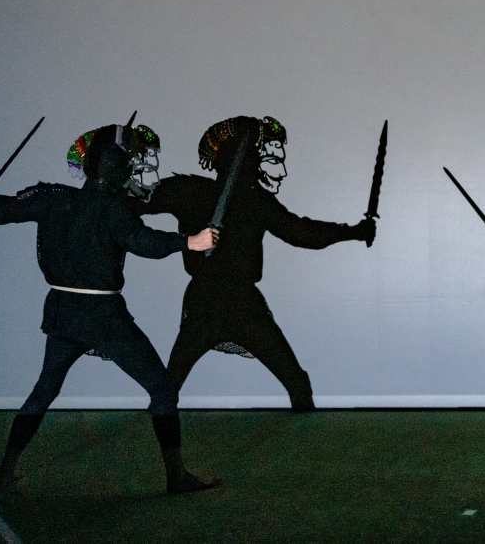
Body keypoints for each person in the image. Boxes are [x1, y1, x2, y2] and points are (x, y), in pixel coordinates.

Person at [0, 122, 220, 494]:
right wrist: (190, 242)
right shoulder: (115, 209)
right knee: (163, 390)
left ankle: (4, 472)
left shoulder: (54, 197)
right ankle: (176, 478)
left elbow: (0, 210)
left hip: (62, 310)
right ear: (116, 169)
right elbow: (142, 241)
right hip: (102, 317)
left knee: (44, 389)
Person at [137, 116, 375, 411]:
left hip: (226, 302)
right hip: (225, 302)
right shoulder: (219, 195)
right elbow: (300, 232)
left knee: (171, 383)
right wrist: (352, 231)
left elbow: (300, 232)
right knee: (292, 381)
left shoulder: (198, 193)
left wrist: (351, 231)